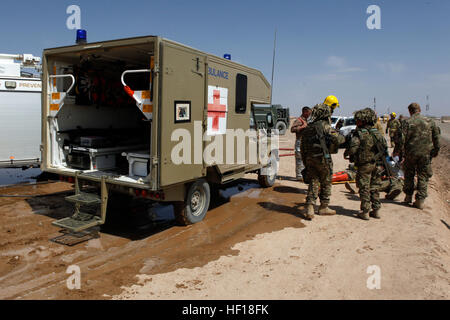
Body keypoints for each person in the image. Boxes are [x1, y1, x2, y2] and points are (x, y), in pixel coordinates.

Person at [301, 95, 344, 220]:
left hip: (309, 158)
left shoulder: (309, 127)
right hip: (322, 159)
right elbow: (339, 139)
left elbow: (303, 147)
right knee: (326, 181)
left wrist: (305, 162)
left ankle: (310, 207)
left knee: (314, 180)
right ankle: (323, 207)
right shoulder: (325, 126)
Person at [394, 103, 440, 209]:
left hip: (411, 153)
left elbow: (401, 140)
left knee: (409, 174)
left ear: (410, 111)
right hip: (425, 154)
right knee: (423, 176)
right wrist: (436, 151)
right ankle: (420, 200)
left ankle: (408, 197)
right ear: (419, 109)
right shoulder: (430, 121)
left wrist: (397, 151)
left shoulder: (406, 122)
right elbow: (436, 138)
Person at [344, 108, 388, 220]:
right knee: (375, 187)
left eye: (358, 120)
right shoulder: (377, 133)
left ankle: (365, 211)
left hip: (364, 165)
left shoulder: (359, 133)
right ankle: (376, 210)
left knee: (364, 187)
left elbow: (353, 149)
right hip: (377, 165)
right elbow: (384, 148)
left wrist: (347, 153)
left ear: (363, 121)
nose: (356, 122)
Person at [290, 106, 312, 181]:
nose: (310, 114)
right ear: (305, 112)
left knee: (305, 159)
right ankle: (299, 176)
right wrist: (302, 127)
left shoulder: (306, 120)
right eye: (309, 113)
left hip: (305, 142)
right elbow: (292, 129)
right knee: (299, 158)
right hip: (300, 141)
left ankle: (303, 175)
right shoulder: (299, 120)